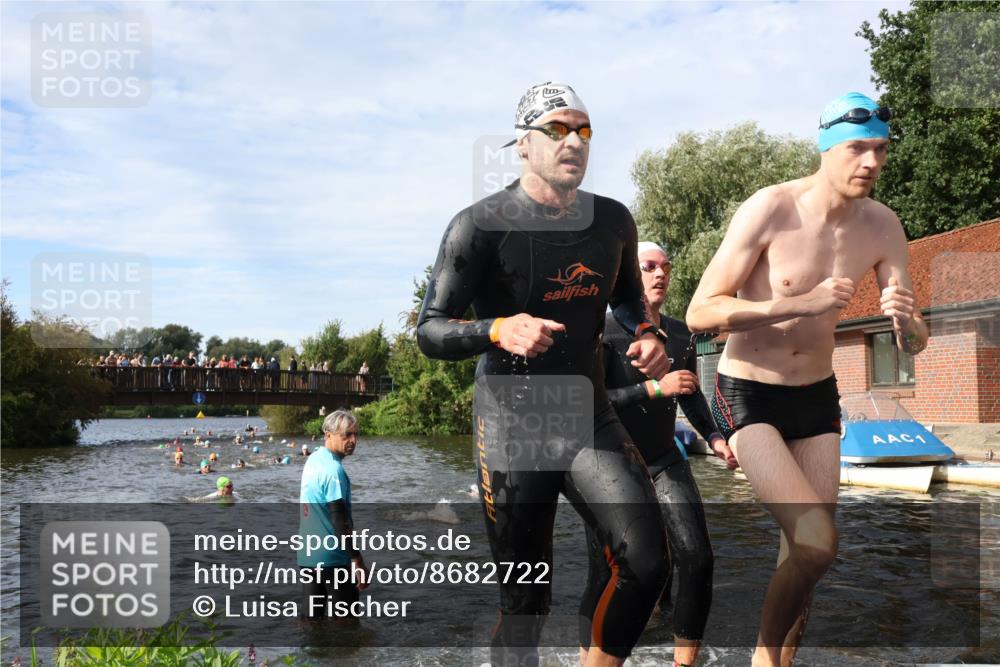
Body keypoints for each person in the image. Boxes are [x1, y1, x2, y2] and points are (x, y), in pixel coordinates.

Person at [417, 82, 672, 667]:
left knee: (647, 563)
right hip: (512, 426)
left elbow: (630, 303)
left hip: (586, 413)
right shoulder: (478, 226)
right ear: (523, 145)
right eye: (557, 130)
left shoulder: (612, 220)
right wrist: (495, 329)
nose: (574, 142)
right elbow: (430, 331)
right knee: (527, 604)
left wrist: (648, 335)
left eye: (583, 130)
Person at [686, 92, 927, 667]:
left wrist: (907, 323)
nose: (870, 162)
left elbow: (915, 342)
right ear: (825, 150)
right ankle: (762, 657)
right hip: (747, 390)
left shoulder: (884, 226)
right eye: (856, 148)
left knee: (805, 559)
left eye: (880, 150)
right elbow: (700, 312)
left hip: (817, 397)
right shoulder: (771, 208)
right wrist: (791, 307)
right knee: (818, 542)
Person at [583, 241, 737, 667]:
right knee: (608, 569)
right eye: (648, 266)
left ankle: (683, 662)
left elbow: (689, 392)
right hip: (609, 465)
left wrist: (715, 436)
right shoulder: (604, 331)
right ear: (628, 276)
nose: (660, 274)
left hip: (663, 458)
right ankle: (590, 659)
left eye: (665, 266)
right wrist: (652, 387)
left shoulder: (680, 333)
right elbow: (590, 404)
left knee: (698, 558)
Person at [297, 410, 368, 621]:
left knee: (311, 621)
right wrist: (357, 560)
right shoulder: (333, 470)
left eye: (355, 435)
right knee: (347, 623)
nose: (353, 440)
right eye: (346, 435)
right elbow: (339, 521)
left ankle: (309, 654)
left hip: (307, 556)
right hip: (333, 558)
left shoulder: (313, 460)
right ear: (328, 435)